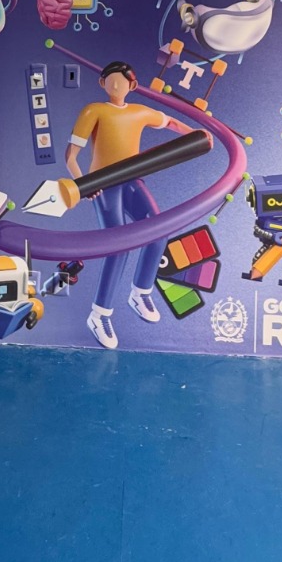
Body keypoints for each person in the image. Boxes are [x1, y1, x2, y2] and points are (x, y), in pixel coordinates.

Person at [65, 60, 202, 349]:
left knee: (158, 229)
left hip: (132, 179)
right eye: (110, 80)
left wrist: (197, 135)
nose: (116, 86)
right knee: (120, 245)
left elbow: (171, 123)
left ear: (133, 85)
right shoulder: (94, 110)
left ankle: (140, 291)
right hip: (103, 184)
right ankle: (99, 314)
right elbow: (71, 156)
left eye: (121, 81)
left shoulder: (140, 112)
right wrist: (83, 185)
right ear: (102, 83)